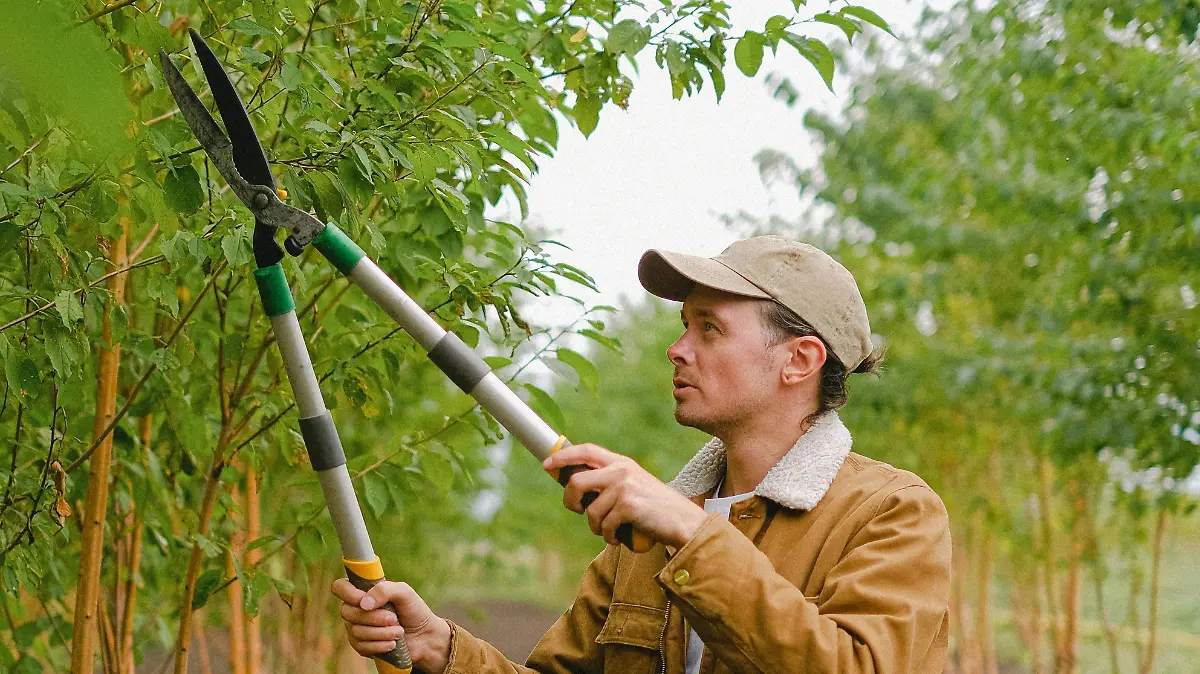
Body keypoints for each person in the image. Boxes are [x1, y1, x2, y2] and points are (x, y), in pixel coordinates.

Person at [332, 236, 952, 673]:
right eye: (684, 324)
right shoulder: (643, 540)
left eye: (709, 327)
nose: (677, 349)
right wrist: (442, 650)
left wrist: (689, 528)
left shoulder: (891, 515)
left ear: (800, 360)